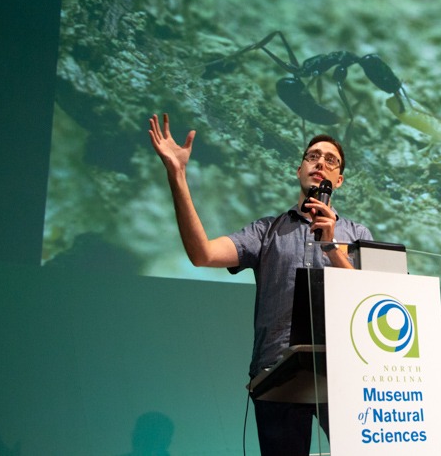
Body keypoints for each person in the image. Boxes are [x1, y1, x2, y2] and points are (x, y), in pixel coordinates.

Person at [148, 113, 372, 455]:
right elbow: (202, 254)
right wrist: (177, 176)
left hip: (346, 372)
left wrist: (331, 245)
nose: (320, 164)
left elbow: (371, 301)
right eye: (312, 156)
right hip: (278, 372)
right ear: (299, 170)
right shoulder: (266, 232)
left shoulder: (357, 236)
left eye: (330, 161)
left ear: (338, 180)